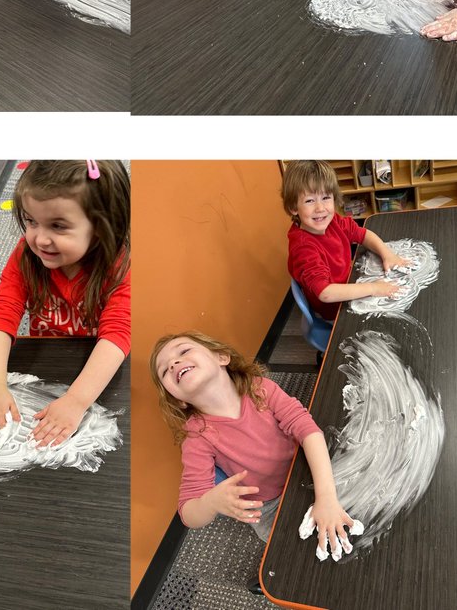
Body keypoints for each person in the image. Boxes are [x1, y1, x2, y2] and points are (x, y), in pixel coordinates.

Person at [150, 330, 360, 558]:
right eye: (164, 370)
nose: (173, 363)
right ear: (178, 400)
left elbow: (308, 431)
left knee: (355, 514)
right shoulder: (196, 437)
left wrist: (326, 497)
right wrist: (209, 503)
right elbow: (188, 513)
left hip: (304, 466)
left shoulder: (260, 388)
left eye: (184, 351)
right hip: (268, 507)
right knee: (299, 556)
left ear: (221, 357)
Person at [0, 161, 129, 448]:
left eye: (58, 226)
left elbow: (117, 334)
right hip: (46, 358)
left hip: (99, 366)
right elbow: (2, 313)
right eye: (31, 221)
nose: (40, 239)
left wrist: (76, 401)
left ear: (102, 226)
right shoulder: (26, 255)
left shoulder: (121, 269)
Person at [283, 161, 410, 323]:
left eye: (325, 197)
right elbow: (325, 293)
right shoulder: (303, 248)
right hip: (336, 309)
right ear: (294, 207)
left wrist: (388, 255)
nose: (320, 208)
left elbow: (362, 234)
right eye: (309, 201)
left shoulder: (332, 220)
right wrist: (373, 288)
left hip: (350, 282)